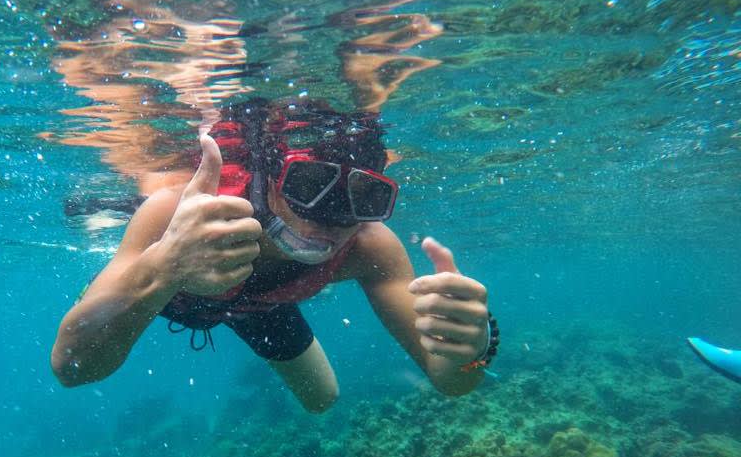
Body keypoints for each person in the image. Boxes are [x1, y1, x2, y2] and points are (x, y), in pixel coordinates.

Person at [51, 101, 498, 412]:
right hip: (166, 291)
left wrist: (472, 350)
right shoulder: (177, 213)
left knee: (322, 400)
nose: (331, 217)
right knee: (111, 290)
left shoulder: (368, 246)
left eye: (364, 196)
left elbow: (452, 381)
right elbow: (72, 368)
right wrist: (162, 268)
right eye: (309, 185)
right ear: (266, 179)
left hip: (260, 307)